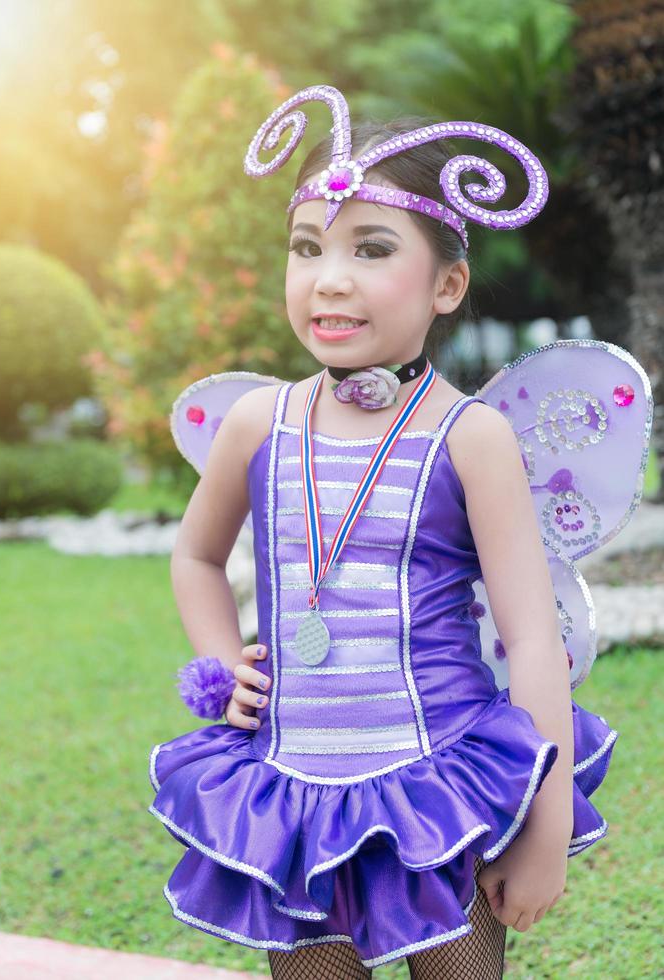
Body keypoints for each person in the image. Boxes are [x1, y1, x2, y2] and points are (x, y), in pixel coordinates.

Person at [148, 86, 647, 978]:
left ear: (447, 284)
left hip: (438, 786)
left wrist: (545, 825)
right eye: (307, 249)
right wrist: (222, 666)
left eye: (369, 249)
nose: (328, 276)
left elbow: (531, 636)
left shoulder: (469, 437)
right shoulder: (258, 423)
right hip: (293, 790)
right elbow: (194, 553)